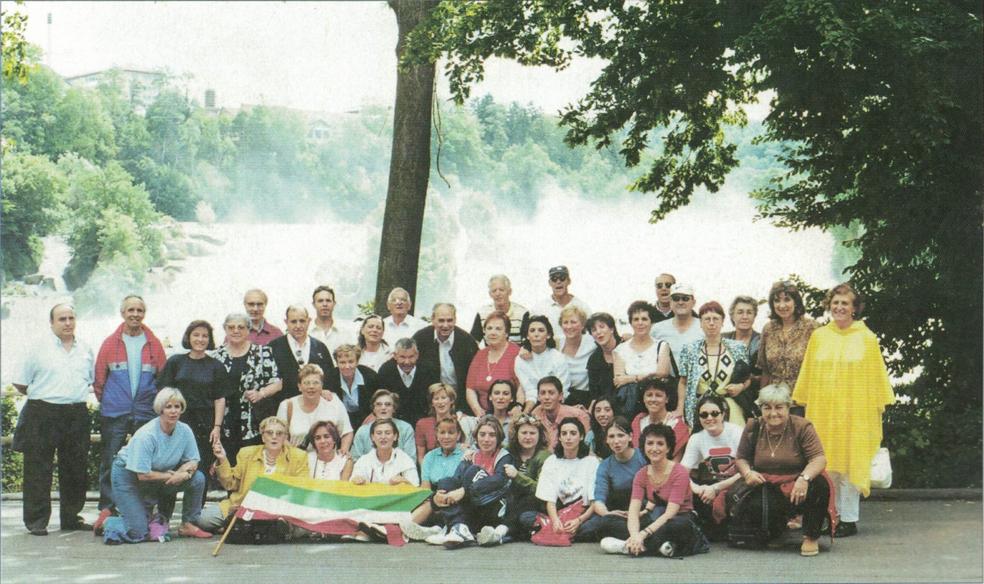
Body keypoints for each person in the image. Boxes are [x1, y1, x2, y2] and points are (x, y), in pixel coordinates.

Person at [793, 283, 895, 538]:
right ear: (829, 306)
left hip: (855, 411)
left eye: (845, 303)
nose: (839, 307)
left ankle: (848, 518)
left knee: (850, 464)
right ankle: (829, 515)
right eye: (835, 303)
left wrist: (876, 407)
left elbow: (877, 377)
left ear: (854, 308)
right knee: (827, 463)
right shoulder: (819, 336)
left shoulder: (866, 338)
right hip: (824, 410)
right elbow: (807, 372)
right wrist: (803, 398)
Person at [12, 303, 94, 535]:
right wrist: (46, 397)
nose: (67, 323)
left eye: (71, 318)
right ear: (52, 323)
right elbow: (20, 382)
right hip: (43, 412)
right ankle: (37, 521)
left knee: (76, 467)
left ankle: (70, 518)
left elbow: (88, 379)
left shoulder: (86, 349)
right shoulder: (37, 348)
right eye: (62, 319)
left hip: (76, 413)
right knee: (38, 468)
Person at [93, 295, 167, 532]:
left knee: (145, 462)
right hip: (115, 412)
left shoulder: (154, 343)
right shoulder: (109, 343)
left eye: (139, 310)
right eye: (131, 310)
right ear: (122, 312)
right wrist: (111, 402)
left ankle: (146, 507)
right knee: (110, 459)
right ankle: (107, 508)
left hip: (146, 412)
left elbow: (162, 380)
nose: (135, 314)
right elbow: (99, 381)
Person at [734, 383, 833, 557]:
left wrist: (804, 478)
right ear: (761, 409)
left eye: (779, 407)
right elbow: (741, 458)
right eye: (767, 408)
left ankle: (811, 536)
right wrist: (748, 473)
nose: (773, 413)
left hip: (797, 481)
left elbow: (819, 458)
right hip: (766, 482)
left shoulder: (802, 426)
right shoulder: (753, 427)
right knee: (756, 500)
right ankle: (776, 530)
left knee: (819, 485)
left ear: (788, 407)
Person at [110, 388, 210, 541]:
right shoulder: (147, 435)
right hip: (128, 474)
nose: (173, 411)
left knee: (198, 478)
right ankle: (109, 522)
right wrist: (172, 476)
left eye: (177, 407)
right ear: (160, 409)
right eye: (168, 407)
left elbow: (193, 460)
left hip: (159, 475)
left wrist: (184, 473)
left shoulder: (185, 430)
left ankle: (188, 524)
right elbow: (142, 475)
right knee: (139, 532)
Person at [600, 424, 708, 558]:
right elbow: (634, 511)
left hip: (678, 519)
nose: (654, 448)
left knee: (676, 526)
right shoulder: (641, 474)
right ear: (643, 447)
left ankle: (627, 547)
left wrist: (642, 534)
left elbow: (670, 513)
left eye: (660, 444)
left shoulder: (679, 472)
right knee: (608, 521)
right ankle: (656, 546)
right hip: (655, 518)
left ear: (668, 448)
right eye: (650, 443)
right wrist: (634, 535)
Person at [156, 320, 230, 502]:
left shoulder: (216, 366)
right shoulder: (175, 362)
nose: (200, 339)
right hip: (177, 422)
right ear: (188, 337)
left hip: (204, 424)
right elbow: (164, 394)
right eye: (196, 335)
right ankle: (163, 517)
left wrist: (217, 427)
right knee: (171, 467)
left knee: (200, 469)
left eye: (205, 336)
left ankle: (194, 517)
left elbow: (220, 398)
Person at [198, 416, 309, 533]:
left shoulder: (298, 456)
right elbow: (231, 484)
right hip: (242, 506)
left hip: (278, 510)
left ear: (286, 437)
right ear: (262, 437)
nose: (274, 437)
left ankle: (243, 528)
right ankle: (241, 526)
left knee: (295, 527)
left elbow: (300, 489)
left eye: (279, 433)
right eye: (269, 433)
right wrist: (222, 458)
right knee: (202, 519)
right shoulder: (246, 453)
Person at [425, 416, 513, 547]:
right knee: (446, 482)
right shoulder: (471, 455)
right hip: (472, 508)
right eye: (482, 435)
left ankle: (454, 528)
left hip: (493, 509)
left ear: (498, 437)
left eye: (492, 435)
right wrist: (437, 498)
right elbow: (455, 481)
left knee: (472, 471)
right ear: (476, 437)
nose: (486, 439)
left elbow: (498, 481)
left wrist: (465, 491)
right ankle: (458, 527)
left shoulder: (504, 456)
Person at [211, 313, 281, 466]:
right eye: (231, 327)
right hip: (226, 421)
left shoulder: (263, 352)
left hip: (253, 420)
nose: (236, 331)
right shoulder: (216, 356)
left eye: (241, 327)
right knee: (229, 467)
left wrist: (261, 393)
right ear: (225, 329)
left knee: (254, 466)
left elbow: (277, 383)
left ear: (248, 330)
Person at [522, 417, 599, 543]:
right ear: (560, 438)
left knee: (594, 524)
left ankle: (550, 529)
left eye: (573, 433)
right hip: (557, 510)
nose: (568, 437)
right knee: (525, 517)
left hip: (582, 513)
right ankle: (557, 528)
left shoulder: (591, 462)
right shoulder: (552, 461)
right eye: (564, 433)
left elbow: (594, 501)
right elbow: (550, 499)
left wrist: (578, 521)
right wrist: (555, 520)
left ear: (581, 437)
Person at [680, 394, 744, 541]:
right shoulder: (697, 438)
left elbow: (747, 471)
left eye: (714, 413)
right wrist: (698, 489)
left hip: (736, 485)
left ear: (723, 414)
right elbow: (681, 472)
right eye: (704, 414)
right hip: (710, 487)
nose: (709, 418)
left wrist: (716, 488)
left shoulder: (737, 432)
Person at [677, 301, 753, 425]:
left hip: (730, 407)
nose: (711, 323)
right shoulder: (689, 350)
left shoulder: (738, 348)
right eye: (707, 319)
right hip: (701, 409)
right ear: (700, 323)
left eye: (716, 319)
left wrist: (740, 387)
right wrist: (680, 409)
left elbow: (747, 378)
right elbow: (683, 382)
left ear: (723, 322)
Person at [400, 417, 469, 543]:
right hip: (435, 500)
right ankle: (433, 529)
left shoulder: (466, 454)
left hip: (457, 499)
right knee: (429, 499)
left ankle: (437, 529)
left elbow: (466, 485)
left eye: (451, 432)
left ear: (458, 435)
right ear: (436, 435)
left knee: (446, 485)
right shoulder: (430, 457)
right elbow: (425, 487)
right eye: (442, 433)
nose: (446, 436)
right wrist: (435, 497)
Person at [580, 416, 647, 542]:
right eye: (611, 437)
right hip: (620, 512)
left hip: (644, 509)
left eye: (621, 435)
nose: (616, 441)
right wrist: (607, 514)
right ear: (606, 440)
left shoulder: (643, 457)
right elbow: (599, 500)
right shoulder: (605, 465)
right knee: (587, 529)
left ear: (630, 436)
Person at [413, 303, 479, 410]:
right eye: (441, 320)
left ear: (455, 320)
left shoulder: (466, 341)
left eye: (449, 320)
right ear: (433, 319)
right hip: (429, 403)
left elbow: (474, 375)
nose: (445, 325)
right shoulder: (421, 338)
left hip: (459, 401)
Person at [758, 280, 818, 396]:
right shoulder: (768, 329)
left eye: (787, 299)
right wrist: (761, 400)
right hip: (774, 402)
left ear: (796, 302)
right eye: (777, 300)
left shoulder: (812, 328)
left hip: (802, 400)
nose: (782, 305)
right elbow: (765, 370)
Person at [612, 301, 671, 418]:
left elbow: (662, 373)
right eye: (636, 319)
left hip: (656, 404)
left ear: (651, 322)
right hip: (630, 407)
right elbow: (618, 381)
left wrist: (632, 378)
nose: (640, 323)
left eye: (644, 319)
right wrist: (648, 375)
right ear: (631, 323)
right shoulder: (620, 349)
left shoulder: (662, 345)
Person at [276, 363, 354, 451]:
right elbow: (279, 436)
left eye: (316, 383)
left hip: (327, 460)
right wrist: (296, 455)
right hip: (297, 460)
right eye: (306, 383)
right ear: (299, 386)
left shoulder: (333, 402)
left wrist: (343, 452)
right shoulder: (286, 406)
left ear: (322, 385)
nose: (311, 387)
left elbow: (347, 432)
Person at [500, 414, 551, 542]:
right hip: (509, 500)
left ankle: (504, 530)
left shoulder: (545, 456)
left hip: (533, 503)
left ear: (540, 435)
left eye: (532, 433)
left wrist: (518, 476)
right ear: (516, 434)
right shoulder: (508, 452)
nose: (528, 437)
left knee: (525, 508)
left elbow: (541, 489)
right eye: (524, 433)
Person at [269, 305, 334, 403]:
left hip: (316, 408)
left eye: (302, 321)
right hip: (284, 408)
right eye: (293, 321)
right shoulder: (274, 347)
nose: (298, 326)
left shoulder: (320, 347)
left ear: (309, 321)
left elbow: (329, 379)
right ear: (286, 322)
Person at [465, 311, 521, 416]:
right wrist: (477, 410)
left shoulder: (516, 353)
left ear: (507, 333)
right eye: (489, 328)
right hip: (482, 415)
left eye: (498, 329)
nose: (493, 332)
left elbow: (522, 387)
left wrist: (518, 408)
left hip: (508, 415)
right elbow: (470, 388)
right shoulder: (480, 355)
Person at [376, 337, 440, 427]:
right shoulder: (385, 371)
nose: (407, 362)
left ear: (417, 355)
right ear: (395, 355)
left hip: (423, 420)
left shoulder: (429, 370)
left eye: (411, 357)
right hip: (395, 421)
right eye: (402, 357)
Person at [414, 383, 478, 465]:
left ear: (451, 400)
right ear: (432, 403)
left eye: (443, 398)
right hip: (432, 468)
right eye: (436, 399)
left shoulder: (463, 421)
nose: (440, 402)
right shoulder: (423, 424)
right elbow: (421, 457)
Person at [515, 315, 569, 409]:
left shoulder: (558, 357)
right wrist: (526, 413)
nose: (536, 334)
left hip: (559, 403)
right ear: (527, 336)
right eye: (532, 331)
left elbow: (563, 388)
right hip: (533, 403)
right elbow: (530, 390)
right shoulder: (520, 360)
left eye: (541, 330)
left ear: (548, 335)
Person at [630, 378, 690, 463]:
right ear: (643, 399)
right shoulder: (638, 421)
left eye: (658, 395)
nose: (653, 399)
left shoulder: (677, 424)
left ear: (667, 399)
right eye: (649, 395)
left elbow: (676, 463)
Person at [348, 418, 420, 486]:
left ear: (395, 436)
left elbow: (415, 488)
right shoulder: (364, 460)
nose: (383, 437)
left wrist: (404, 481)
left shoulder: (405, 460)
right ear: (372, 437)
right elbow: (353, 483)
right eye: (379, 433)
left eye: (387, 433)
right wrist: (357, 480)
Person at [349, 389, 416, 461]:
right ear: (373, 409)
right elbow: (355, 460)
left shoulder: (406, 428)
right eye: (378, 404)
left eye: (388, 404)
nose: (383, 408)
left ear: (394, 408)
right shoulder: (362, 431)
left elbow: (410, 459)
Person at [723, 295, 763, 414]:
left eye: (749, 312)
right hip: (726, 396)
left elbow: (767, 374)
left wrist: (743, 385)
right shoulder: (722, 339)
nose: (745, 317)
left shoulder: (762, 341)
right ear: (732, 316)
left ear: (754, 316)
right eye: (740, 312)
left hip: (754, 399)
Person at [651, 283, 704, 372]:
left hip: (697, 382)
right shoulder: (657, 329)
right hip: (667, 383)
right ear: (670, 302)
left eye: (685, 298)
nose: (680, 302)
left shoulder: (704, 326)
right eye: (676, 299)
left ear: (693, 302)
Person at [326, 344, 380, 429]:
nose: (347, 366)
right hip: (340, 422)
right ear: (337, 363)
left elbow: (383, 396)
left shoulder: (370, 376)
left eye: (351, 362)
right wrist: (321, 392)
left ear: (357, 361)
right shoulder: (329, 377)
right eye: (342, 362)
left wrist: (375, 414)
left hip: (366, 420)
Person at [530, 376, 591, 449]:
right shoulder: (536, 414)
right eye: (543, 393)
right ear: (538, 397)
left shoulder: (578, 415)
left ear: (561, 396)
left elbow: (586, 445)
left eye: (551, 393)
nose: (546, 397)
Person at [470, 274, 530, 344]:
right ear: (490, 294)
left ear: (509, 291)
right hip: (491, 354)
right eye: (494, 291)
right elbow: (473, 342)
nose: (498, 293)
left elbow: (528, 343)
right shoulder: (482, 313)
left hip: (516, 354)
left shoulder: (522, 313)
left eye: (501, 290)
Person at [531, 265, 591, 334]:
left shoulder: (582, 307)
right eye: (554, 279)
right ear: (549, 283)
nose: (558, 281)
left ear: (569, 281)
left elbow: (590, 333)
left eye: (562, 278)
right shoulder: (539, 309)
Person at [556, 305, 596, 407]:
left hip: (584, 396)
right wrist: (526, 348)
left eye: (573, 322)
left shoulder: (592, 342)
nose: (569, 326)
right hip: (562, 396)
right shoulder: (557, 343)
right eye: (565, 322)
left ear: (583, 325)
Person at [586, 312, 621, 404]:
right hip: (605, 408)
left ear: (612, 329)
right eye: (594, 330)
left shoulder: (626, 348)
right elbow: (594, 395)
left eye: (602, 327)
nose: (598, 332)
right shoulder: (594, 360)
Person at [309, 284, 354, 354]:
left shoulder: (345, 332)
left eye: (328, 300)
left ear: (334, 304)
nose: (325, 304)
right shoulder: (307, 331)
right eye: (320, 301)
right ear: (314, 304)